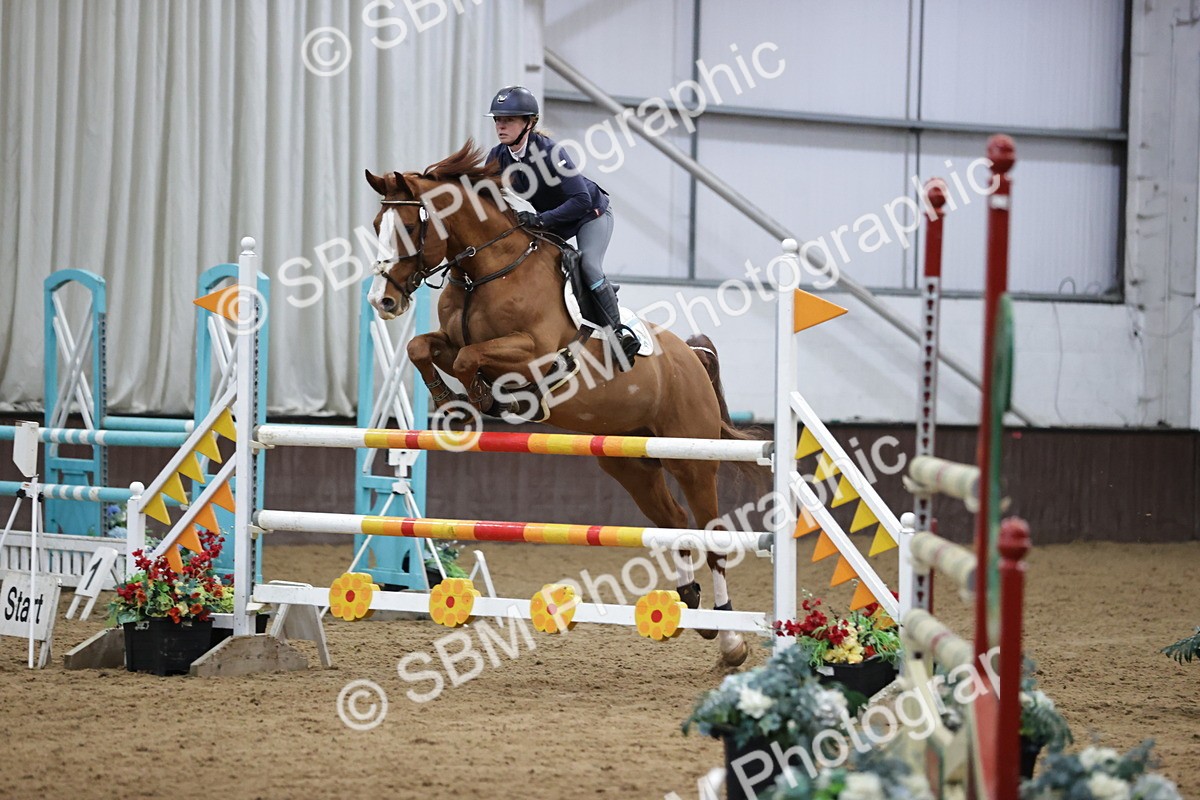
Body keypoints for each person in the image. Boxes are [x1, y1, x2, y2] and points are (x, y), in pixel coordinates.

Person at [484, 85, 641, 370]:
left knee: (589, 266)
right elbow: (484, 198)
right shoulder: (497, 157)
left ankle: (619, 333)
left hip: (591, 213)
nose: (501, 125)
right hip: (553, 218)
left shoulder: (550, 152)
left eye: (509, 119)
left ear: (529, 123)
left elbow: (580, 199)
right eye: (497, 119)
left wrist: (541, 220)